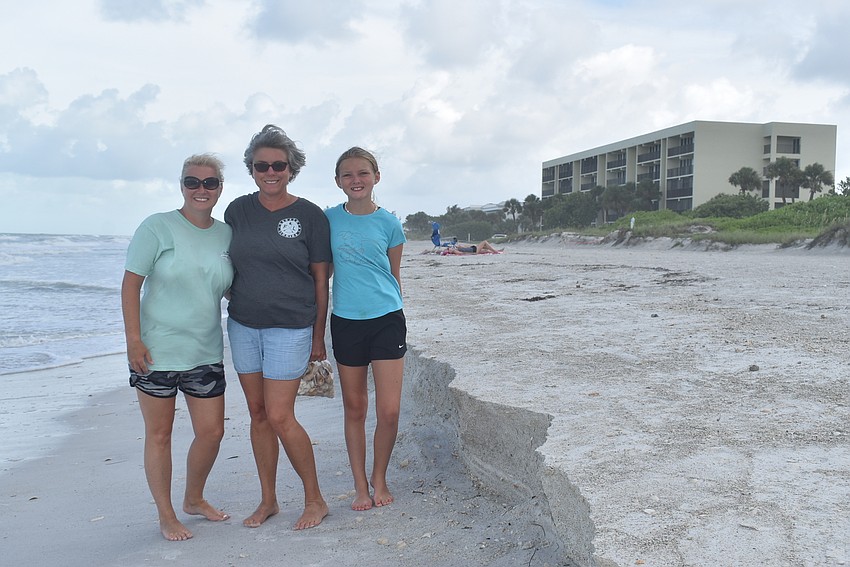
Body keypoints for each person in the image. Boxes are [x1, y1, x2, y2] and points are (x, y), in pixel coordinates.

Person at [121, 154, 233, 541]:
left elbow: (231, 287)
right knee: (159, 434)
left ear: (221, 187)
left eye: (210, 183)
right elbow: (131, 284)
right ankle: (166, 515)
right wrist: (133, 340)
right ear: (181, 185)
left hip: (205, 349)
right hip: (156, 350)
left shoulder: (226, 235)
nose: (201, 190)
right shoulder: (156, 227)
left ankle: (194, 498)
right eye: (192, 182)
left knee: (212, 432)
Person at [224, 124, 330, 530]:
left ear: (292, 168)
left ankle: (315, 500)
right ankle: (268, 500)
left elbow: (322, 279)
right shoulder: (237, 210)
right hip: (243, 326)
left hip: (291, 327)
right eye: (261, 165)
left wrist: (318, 336)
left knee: (281, 415)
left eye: (278, 165)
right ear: (251, 169)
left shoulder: (310, 216)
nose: (270, 172)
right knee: (257, 413)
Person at [325, 147, 407, 511]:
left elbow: (394, 275)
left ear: (376, 177)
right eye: (347, 175)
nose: (355, 180)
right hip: (346, 320)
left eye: (363, 173)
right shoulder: (327, 220)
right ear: (338, 181)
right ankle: (360, 484)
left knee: (389, 411)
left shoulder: (389, 222)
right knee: (355, 407)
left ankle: (380, 477)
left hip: (387, 318)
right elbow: (320, 272)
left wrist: (396, 312)